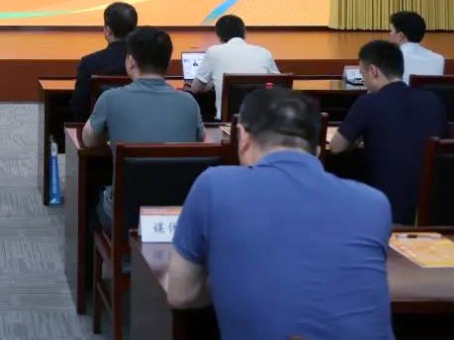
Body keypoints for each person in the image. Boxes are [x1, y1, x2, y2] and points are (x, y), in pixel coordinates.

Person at [168, 88, 393, 340]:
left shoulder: (214, 185)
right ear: (318, 150)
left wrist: (228, 279)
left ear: (242, 137)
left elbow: (180, 294)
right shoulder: (375, 203)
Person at [82, 27, 204, 231]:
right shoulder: (189, 102)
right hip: (178, 213)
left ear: (130, 61)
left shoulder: (110, 99)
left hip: (126, 214)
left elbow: (88, 140)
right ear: (167, 63)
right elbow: (199, 140)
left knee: (94, 198)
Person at [330, 40, 448, 224]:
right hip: (433, 208)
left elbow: (336, 147)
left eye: (362, 73)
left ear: (373, 71)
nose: (363, 80)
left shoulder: (368, 103)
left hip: (385, 209)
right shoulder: (432, 100)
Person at [190, 14, 280, 119]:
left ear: (219, 35)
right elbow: (280, 83)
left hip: (226, 123)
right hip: (258, 122)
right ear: (244, 33)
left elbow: (195, 89)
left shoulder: (213, 52)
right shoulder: (264, 53)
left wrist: (213, 82)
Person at [70, 2, 137, 121]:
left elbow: (79, 109)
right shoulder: (146, 63)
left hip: (100, 130)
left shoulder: (89, 63)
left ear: (108, 30)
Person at [389, 10, 444, 80]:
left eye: (392, 30)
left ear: (400, 36)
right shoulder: (439, 59)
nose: (390, 34)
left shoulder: (390, 59)